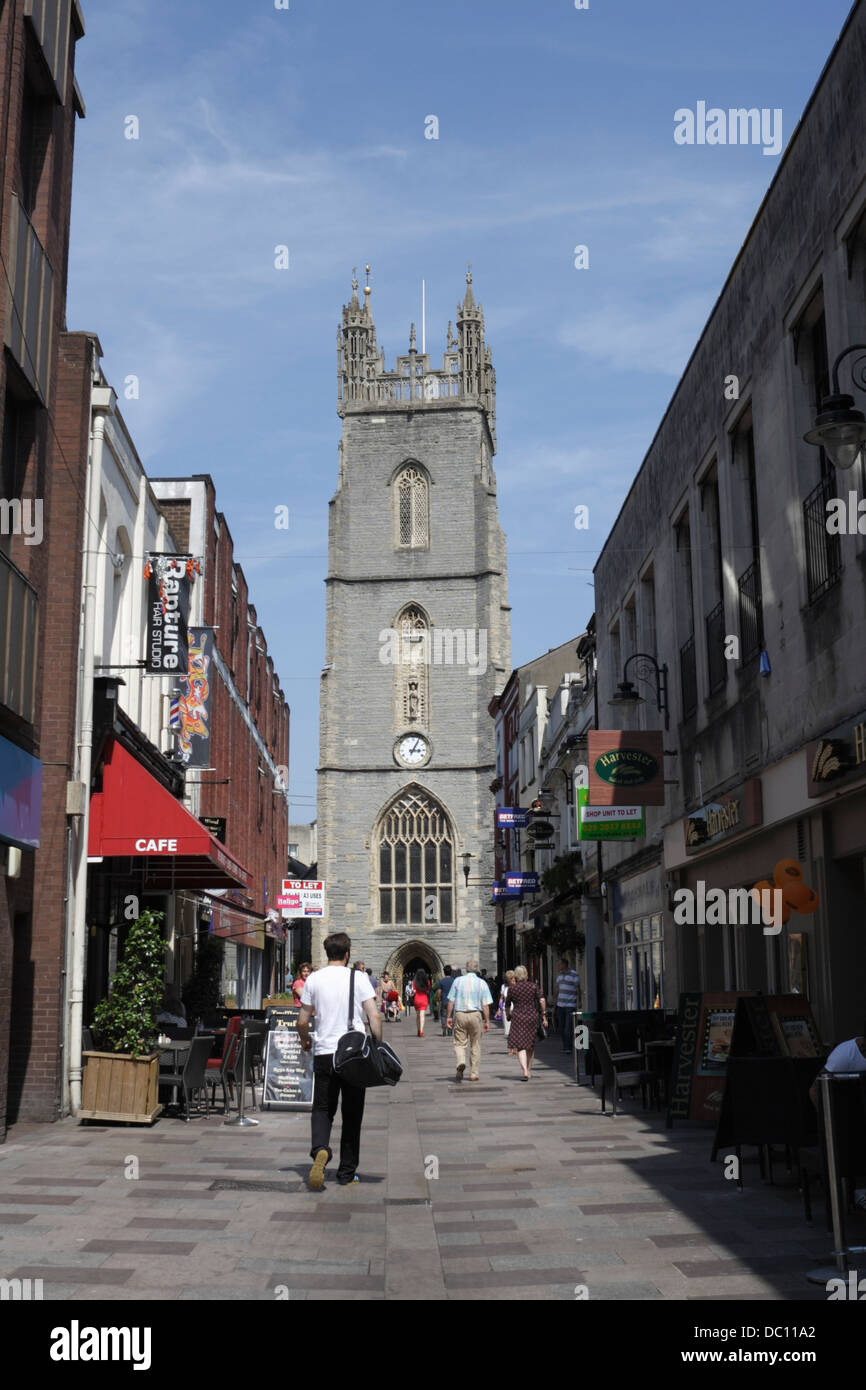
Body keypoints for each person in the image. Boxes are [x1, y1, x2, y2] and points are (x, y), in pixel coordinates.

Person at [297, 933, 381, 1190]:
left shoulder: (313, 979)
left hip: (324, 1053)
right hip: (353, 1055)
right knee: (352, 1114)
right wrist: (377, 1046)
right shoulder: (359, 977)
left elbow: (302, 1020)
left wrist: (304, 1040)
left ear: (326, 953)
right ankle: (346, 1173)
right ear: (347, 954)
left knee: (323, 1108)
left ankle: (320, 1148)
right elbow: (374, 1017)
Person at [446, 959, 493, 1082]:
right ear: (476, 969)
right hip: (475, 1015)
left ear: (466, 969)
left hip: (460, 1014)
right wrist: (487, 1020)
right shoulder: (481, 983)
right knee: (475, 1045)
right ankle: (474, 1073)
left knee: (459, 1043)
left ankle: (461, 1062)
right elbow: (485, 1005)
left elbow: (451, 1001)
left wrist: (449, 1017)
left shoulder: (458, 981)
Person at [506, 965, 548, 1081]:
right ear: (526, 975)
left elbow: (507, 1004)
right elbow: (542, 1000)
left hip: (518, 1017)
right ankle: (529, 1070)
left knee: (520, 1046)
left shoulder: (512, 989)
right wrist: (543, 1014)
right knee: (530, 1045)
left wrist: (508, 1015)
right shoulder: (533, 986)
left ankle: (524, 1070)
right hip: (532, 1017)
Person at [553, 957, 581, 1054]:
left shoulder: (574, 974)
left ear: (565, 965)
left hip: (570, 1004)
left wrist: (579, 1001)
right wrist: (555, 999)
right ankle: (565, 1046)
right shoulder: (559, 975)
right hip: (560, 1004)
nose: (558, 966)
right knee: (561, 1026)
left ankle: (568, 1047)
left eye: (560, 964)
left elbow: (578, 988)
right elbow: (557, 987)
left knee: (568, 1027)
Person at [500, 970, 516, 1054]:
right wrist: (499, 1009)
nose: (513, 980)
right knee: (509, 1031)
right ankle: (511, 1048)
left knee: (516, 1030)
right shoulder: (504, 987)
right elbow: (501, 998)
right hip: (506, 1010)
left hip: (516, 1010)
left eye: (514, 978)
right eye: (511, 979)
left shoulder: (517, 986)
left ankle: (516, 1048)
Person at [436, 966, 455, 1036]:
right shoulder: (454, 980)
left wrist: (438, 1000)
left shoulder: (442, 981)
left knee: (443, 1015)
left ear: (444, 972)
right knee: (450, 1016)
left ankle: (444, 1027)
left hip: (444, 1000)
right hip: (452, 1001)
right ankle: (450, 1030)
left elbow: (438, 992)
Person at [413, 967, 430, 1037]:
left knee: (418, 1016)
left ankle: (418, 1030)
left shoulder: (415, 982)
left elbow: (414, 991)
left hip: (417, 999)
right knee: (422, 1015)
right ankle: (421, 1031)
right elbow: (428, 991)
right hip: (424, 999)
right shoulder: (427, 982)